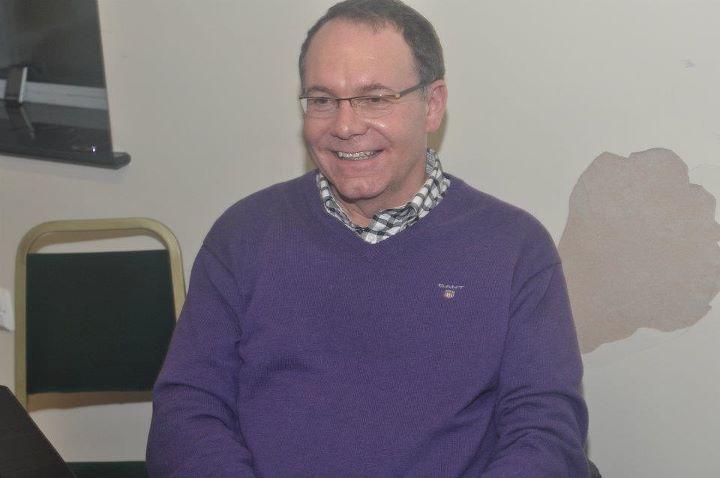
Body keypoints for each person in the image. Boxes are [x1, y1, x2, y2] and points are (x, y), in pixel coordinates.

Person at [146, 1, 589, 476]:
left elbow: (545, 433)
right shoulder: (244, 235)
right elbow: (187, 411)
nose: (345, 126)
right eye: (322, 100)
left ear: (432, 105)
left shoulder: (513, 248)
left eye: (375, 98)